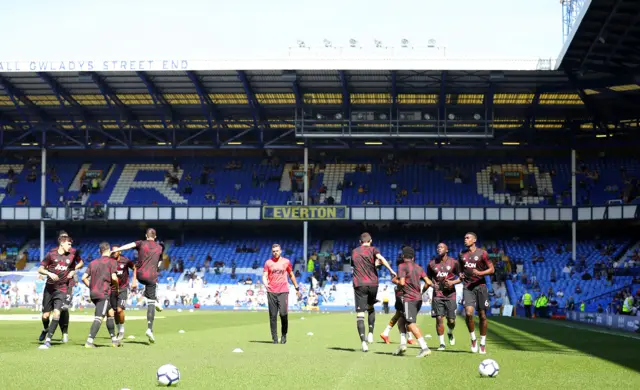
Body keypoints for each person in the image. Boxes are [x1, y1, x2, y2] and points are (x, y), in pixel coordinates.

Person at [112, 228, 164, 344]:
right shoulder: (159, 247)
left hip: (140, 275)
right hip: (151, 276)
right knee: (150, 300)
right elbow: (160, 262)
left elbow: (129, 246)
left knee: (149, 292)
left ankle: (153, 300)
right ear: (155, 237)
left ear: (146, 235)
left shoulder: (141, 243)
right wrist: (157, 267)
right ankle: (150, 329)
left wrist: (118, 249)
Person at [352, 232, 396, 352]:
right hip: (373, 284)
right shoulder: (373, 249)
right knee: (371, 307)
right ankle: (371, 333)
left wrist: (372, 265)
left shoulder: (355, 251)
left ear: (360, 242)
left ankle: (363, 343)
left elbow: (356, 266)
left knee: (360, 314)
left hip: (359, 284)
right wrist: (391, 270)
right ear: (370, 241)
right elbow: (380, 259)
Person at [37, 233, 82, 349]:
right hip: (49, 289)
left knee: (57, 313)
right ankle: (45, 329)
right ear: (62, 243)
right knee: (45, 316)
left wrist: (73, 271)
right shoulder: (51, 254)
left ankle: (48, 340)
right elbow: (40, 268)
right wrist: (49, 273)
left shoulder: (71, 255)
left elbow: (76, 266)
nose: (70, 246)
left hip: (62, 289)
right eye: (69, 244)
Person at [391, 246, 432, 357]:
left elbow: (402, 283)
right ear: (413, 257)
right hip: (418, 298)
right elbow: (428, 282)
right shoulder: (419, 267)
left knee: (410, 323)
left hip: (409, 298)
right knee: (401, 320)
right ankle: (403, 344)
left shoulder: (402, 266)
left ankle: (424, 347)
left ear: (403, 256)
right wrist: (422, 292)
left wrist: (395, 281)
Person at [458, 232, 494, 354]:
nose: (465, 239)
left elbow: (491, 269)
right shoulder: (462, 254)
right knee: (468, 313)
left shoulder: (482, 253)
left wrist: (480, 273)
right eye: (464, 238)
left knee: (483, 315)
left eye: (467, 238)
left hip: (481, 286)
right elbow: (460, 269)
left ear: (474, 240)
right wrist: (461, 274)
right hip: (468, 287)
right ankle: (473, 339)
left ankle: (482, 343)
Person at [82, 242, 119, 348]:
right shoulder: (112, 262)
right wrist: (116, 287)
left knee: (110, 313)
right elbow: (114, 278)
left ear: (100, 251)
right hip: (104, 293)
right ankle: (89, 341)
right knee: (99, 317)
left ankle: (114, 340)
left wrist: (92, 286)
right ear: (109, 250)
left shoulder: (93, 263)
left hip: (93, 293)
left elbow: (83, 277)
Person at [262, 244, 301, 344]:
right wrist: (266, 284)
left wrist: (297, 288)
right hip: (271, 291)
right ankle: (274, 338)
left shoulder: (286, 262)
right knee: (273, 316)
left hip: (283, 291)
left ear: (281, 251)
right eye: (274, 251)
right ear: (272, 252)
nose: (275, 252)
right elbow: (264, 275)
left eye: (277, 250)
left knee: (283, 314)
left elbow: (291, 275)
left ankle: (284, 335)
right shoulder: (268, 263)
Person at [427, 242, 461, 351]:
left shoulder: (454, 262)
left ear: (447, 250)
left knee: (451, 320)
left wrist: (453, 282)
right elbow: (427, 279)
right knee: (439, 318)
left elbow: (462, 277)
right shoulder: (431, 264)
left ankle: (450, 332)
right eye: (437, 247)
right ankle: (442, 344)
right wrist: (433, 285)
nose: (439, 249)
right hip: (438, 295)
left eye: (441, 247)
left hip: (451, 294)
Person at [56, 231, 84, 343]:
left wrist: (74, 269)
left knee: (65, 308)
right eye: (63, 238)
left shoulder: (73, 252)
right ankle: (62, 332)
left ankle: (65, 332)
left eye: (66, 238)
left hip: (68, 284)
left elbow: (81, 262)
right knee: (57, 309)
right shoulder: (54, 253)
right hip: (57, 284)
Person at [111, 245, 137, 340]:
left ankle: (121, 330)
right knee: (114, 312)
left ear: (120, 252)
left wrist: (134, 281)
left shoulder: (125, 260)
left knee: (119, 310)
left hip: (123, 288)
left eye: (116, 251)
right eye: (112, 251)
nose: (113, 253)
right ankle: (118, 330)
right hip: (112, 289)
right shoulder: (109, 261)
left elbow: (135, 268)